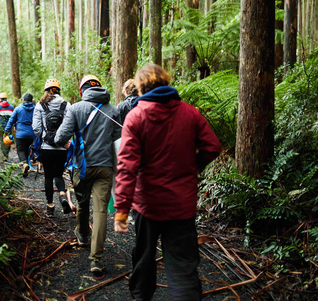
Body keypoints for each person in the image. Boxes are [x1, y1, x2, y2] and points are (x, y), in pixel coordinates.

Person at [113, 64, 221, 301]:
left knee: (143, 258)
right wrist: (195, 164)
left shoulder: (136, 117)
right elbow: (212, 146)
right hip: (181, 205)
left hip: (147, 205)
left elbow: (127, 165)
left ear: (141, 87)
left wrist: (121, 209)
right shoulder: (189, 112)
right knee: (183, 267)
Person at [54, 75, 121, 274]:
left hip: (82, 167)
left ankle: (83, 235)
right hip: (105, 167)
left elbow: (59, 138)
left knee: (82, 203)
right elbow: (119, 142)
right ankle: (96, 260)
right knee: (100, 211)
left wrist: (70, 141)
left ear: (83, 90)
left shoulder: (75, 108)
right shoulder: (114, 110)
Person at [32, 79, 72, 218]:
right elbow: (70, 125)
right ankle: (62, 195)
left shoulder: (40, 105)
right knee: (59, 174)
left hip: (46, 147)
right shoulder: (66, 105)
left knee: (48, 177)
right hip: (62, 148)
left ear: (46, 90)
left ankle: (50, 206)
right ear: (59, 90)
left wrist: (44, 137)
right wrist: (65, 140)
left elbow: (36, 127)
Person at [5, 93, 35, 177]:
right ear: (31, 100)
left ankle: (24, 164)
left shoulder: (18, 108)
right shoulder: (35, 109)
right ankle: (25, 165)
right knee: (27, 150)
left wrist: (7, 130)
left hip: (20, 134)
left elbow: (11, 120)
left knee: (20, 150)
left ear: (23, 100)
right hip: (31, 133)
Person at [0, 93, 14, 161]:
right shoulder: (11, 107)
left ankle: (4, 155)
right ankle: (6, 155)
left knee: (1, 141)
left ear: (0, 99)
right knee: (8, 140)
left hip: (0, 127)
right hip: (8, 127)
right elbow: (12, 118)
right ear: (6, 98)